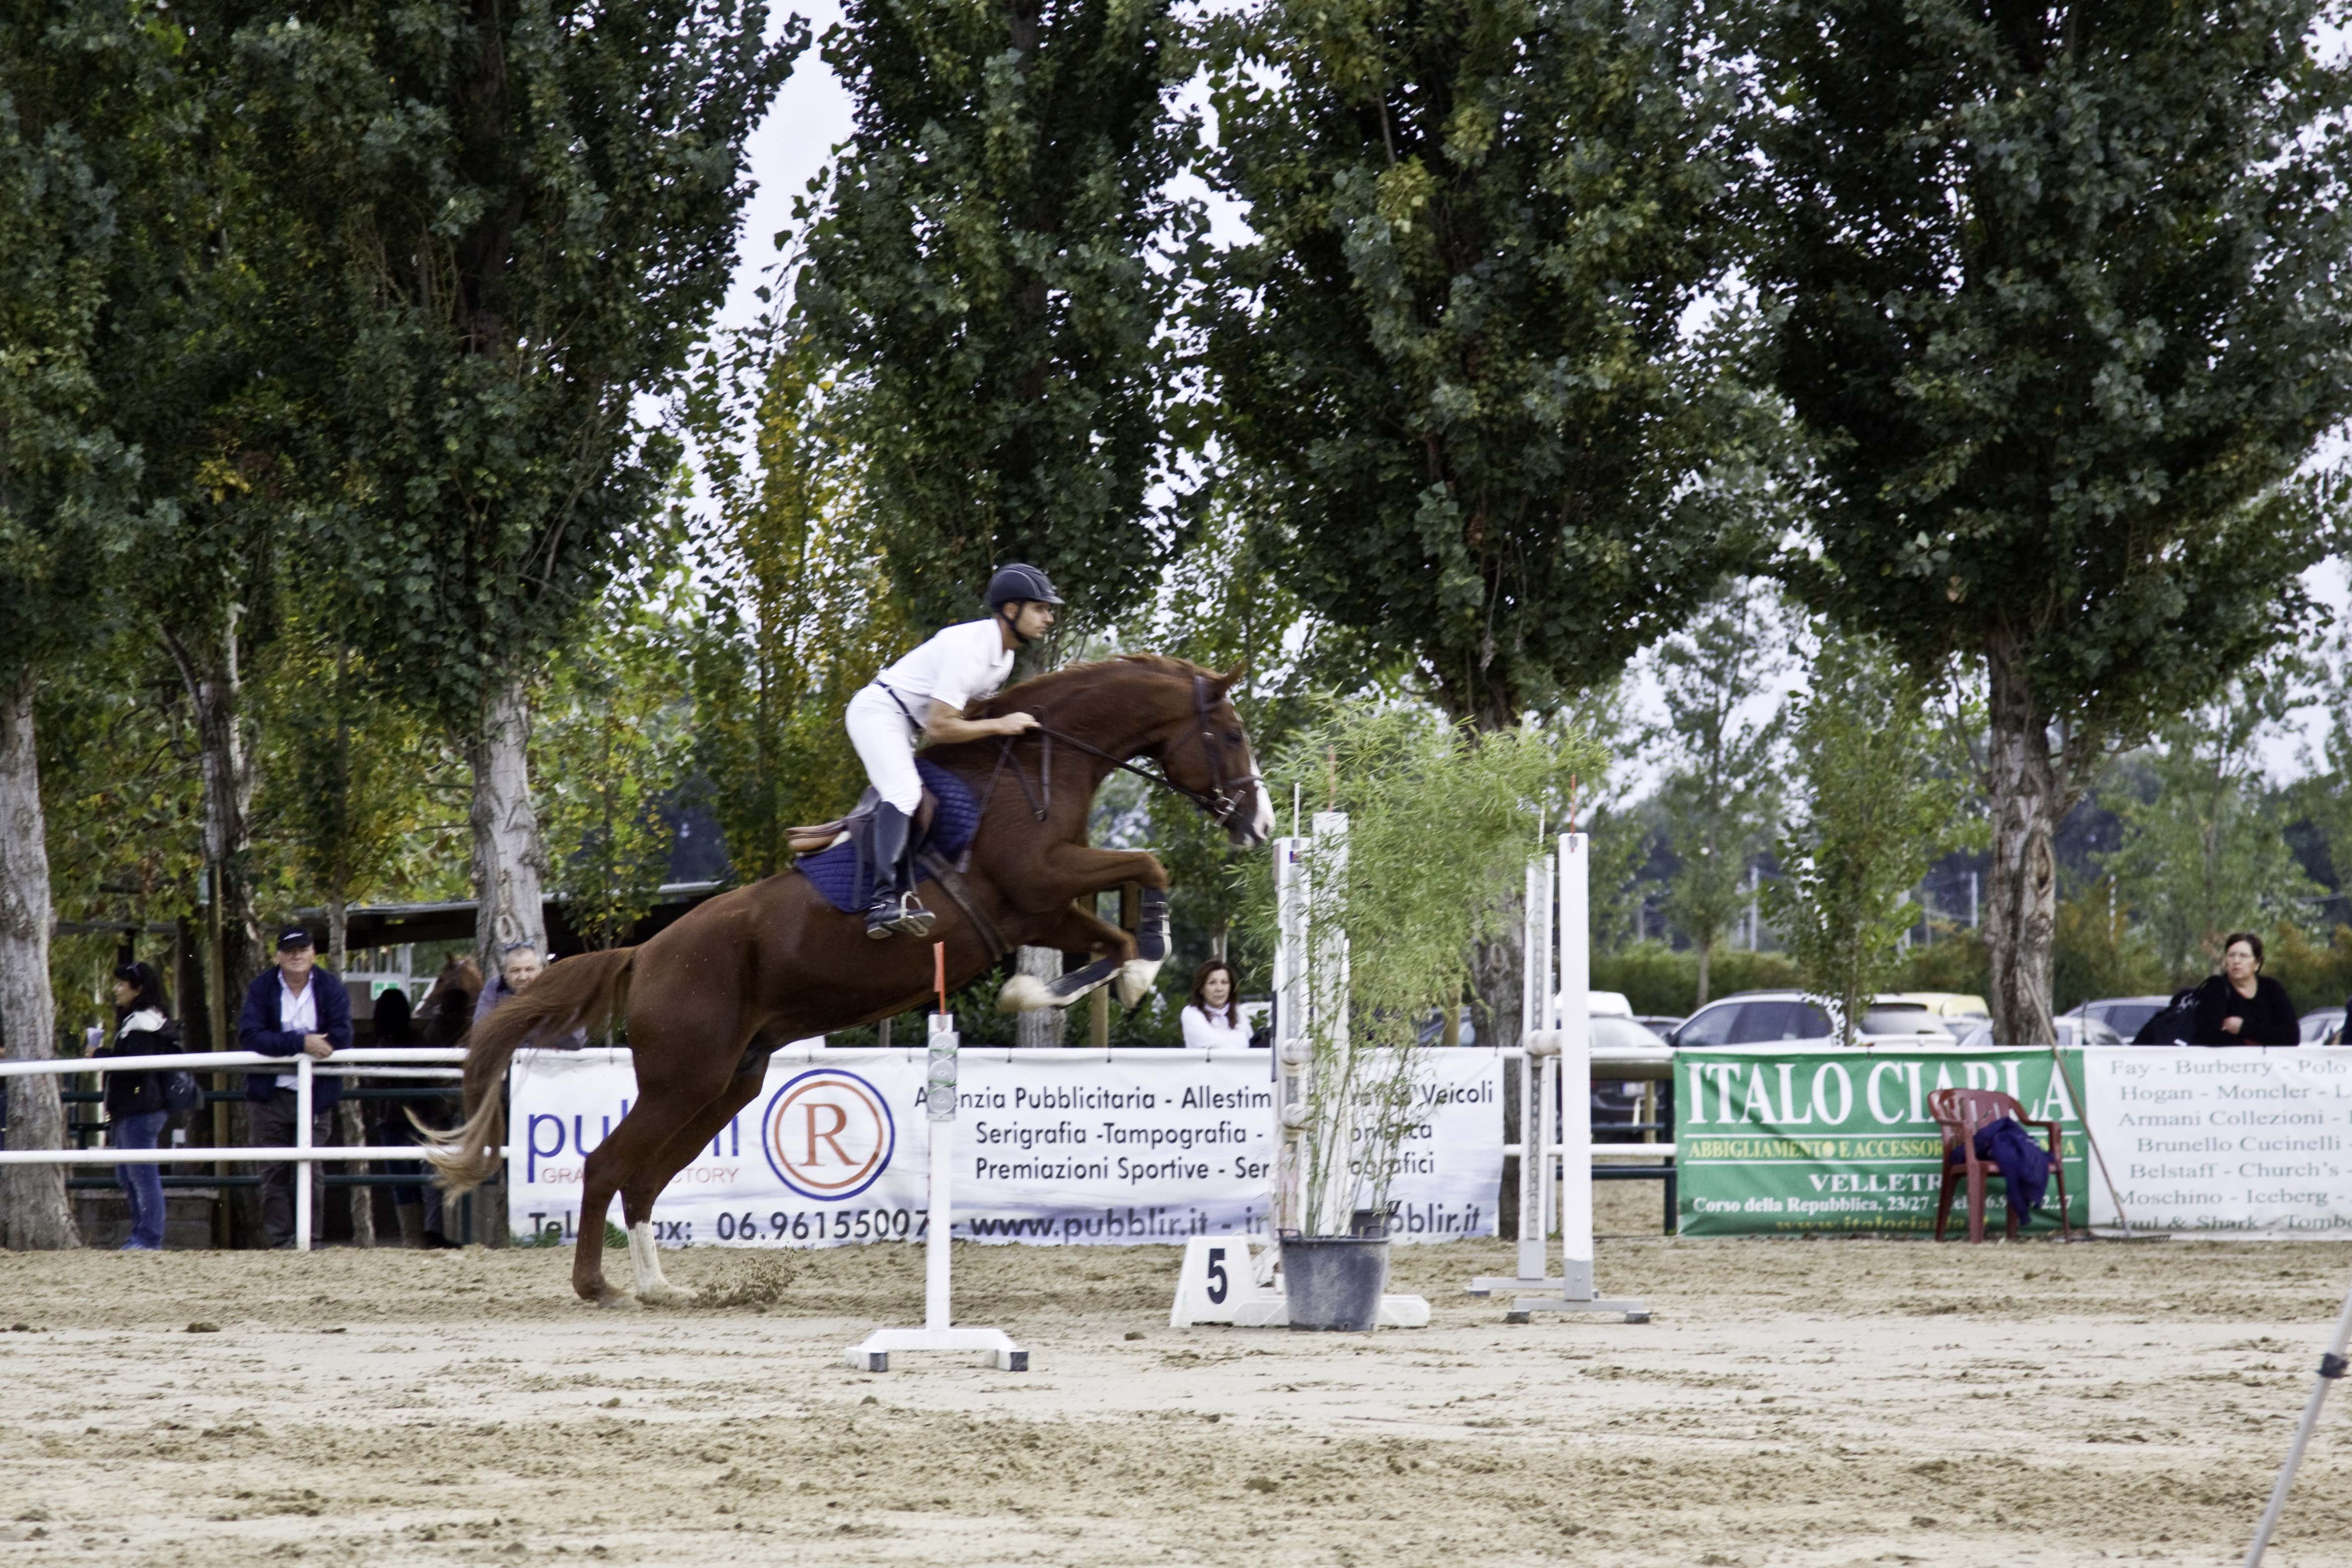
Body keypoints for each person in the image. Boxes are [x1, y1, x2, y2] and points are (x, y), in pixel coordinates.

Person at [844, 563, 1060, 938]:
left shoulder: (1004, 658)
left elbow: (964, 716)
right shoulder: (971, 649)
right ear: (1012, 610)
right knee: (905, 793)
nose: (1049, 618)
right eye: (1040, 608)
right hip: (879, 712)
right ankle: (881, 903)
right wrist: (1001, 725)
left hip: (905, 724)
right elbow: (940, 727)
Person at [237, 928, 353, 1248]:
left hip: (316, 1095)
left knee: (311, 1169)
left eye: (303, 948)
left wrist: (294, 1044)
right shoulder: (262, 988)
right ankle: (280, 1241)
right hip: (270, 1096)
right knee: (272, 1171)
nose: (297, 955)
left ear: (313, 953)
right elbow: (250, 1035)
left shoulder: (330, 987)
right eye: (290, 950)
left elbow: (343, 1035)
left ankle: (309, 1239)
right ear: (278, 956)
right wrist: (302, 1043)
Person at [95, 962, 180, 1251]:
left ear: (138, 989)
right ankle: (142, 1235)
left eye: (122, 984)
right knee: (131, 1176)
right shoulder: (144, 1021)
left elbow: (134, 1066)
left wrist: (100, 1055)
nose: (117, 989)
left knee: (141, 1177)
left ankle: (148, 1237)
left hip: (140, 1108)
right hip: (135, 1108)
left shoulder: (142, 1024)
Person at [474, 942, 590, 1049]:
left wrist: (509, 1029)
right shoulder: (494, 988)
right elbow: (480, 1033)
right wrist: (544, 1032)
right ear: (505, 973)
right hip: (508, 1063)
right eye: (515, 971)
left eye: (530, 969)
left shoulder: (559, 988)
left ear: (541, 971)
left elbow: (576, 1039)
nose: (523, 977)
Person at [2194, 931, 2300, 1047]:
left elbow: (2292, 1036)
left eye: (2243, 956)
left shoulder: (2271, 988)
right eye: (2232, 955)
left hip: (2267, 1059)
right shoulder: (2216, 987)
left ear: (2257, 964)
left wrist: (2243, 1027)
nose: (2236, 961)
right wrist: (2261, 1039)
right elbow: (2208, 1037)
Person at [1180, 960, 1251, 1050]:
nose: (1219, 989)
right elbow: (1215, 1045)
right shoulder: (1191, 1012)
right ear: (1201, 988)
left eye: (1224, 982)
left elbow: (1251, 1044)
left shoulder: (1239, 1013)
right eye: (1212, 983)